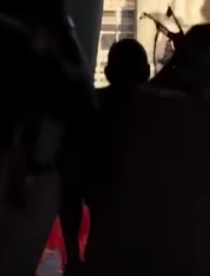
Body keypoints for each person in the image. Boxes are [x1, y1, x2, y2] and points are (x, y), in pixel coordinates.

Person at [60, 38, 150, 276]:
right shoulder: (164, 115)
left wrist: (73, 255)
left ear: (109, 73)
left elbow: (70, 192)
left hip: (103, 246)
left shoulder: (90, 112)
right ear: (147, 72)